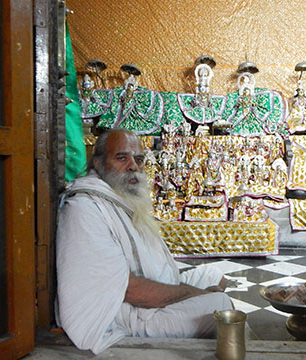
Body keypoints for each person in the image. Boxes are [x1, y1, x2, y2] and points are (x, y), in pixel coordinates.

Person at [56, 128, 234, 354]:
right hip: (127, 314)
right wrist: (197, 294)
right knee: (220, 305)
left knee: (213, 275)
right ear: (98, 163)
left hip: (148, 296)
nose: (133, 166)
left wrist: (187, 290)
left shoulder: (118, 195)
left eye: (138, 159)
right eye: (122, 158)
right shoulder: (85, 208)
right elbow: (131, 292)